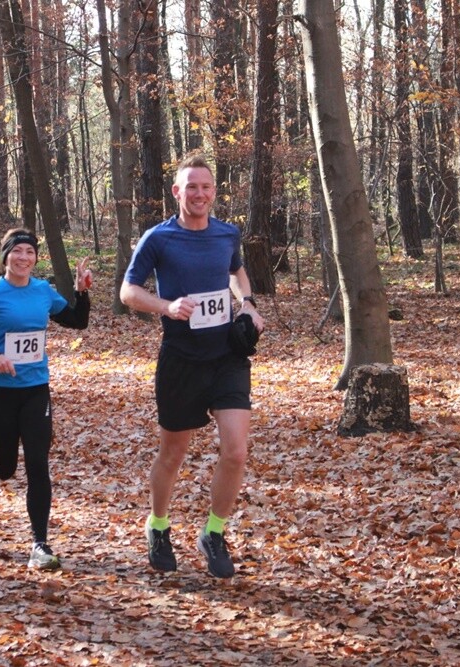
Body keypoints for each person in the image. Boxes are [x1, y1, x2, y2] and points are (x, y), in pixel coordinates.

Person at [119, 154, 265, 578]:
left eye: (206, 187)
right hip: (181, 358)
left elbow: (237, 272)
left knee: (236, 452)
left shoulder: (227, 234)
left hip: (227, 356)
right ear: (177, 192)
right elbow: (129, 292)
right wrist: (166, 305)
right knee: (173, 453)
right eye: (192, 187)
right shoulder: (158, 238)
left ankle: (214, 533)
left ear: (213, 192)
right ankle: (158, 525)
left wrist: (248, 303)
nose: (200, 194)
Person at [0, 228, 93, 571]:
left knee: (37, 465)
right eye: (17, 252)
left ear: (35, 258)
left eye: (29, 252)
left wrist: (82, 292)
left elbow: (77, 322)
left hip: (35, 388)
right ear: (6, 257)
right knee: (6, 469)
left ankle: (40, 544)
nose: (23, 258)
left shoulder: (43, 291)